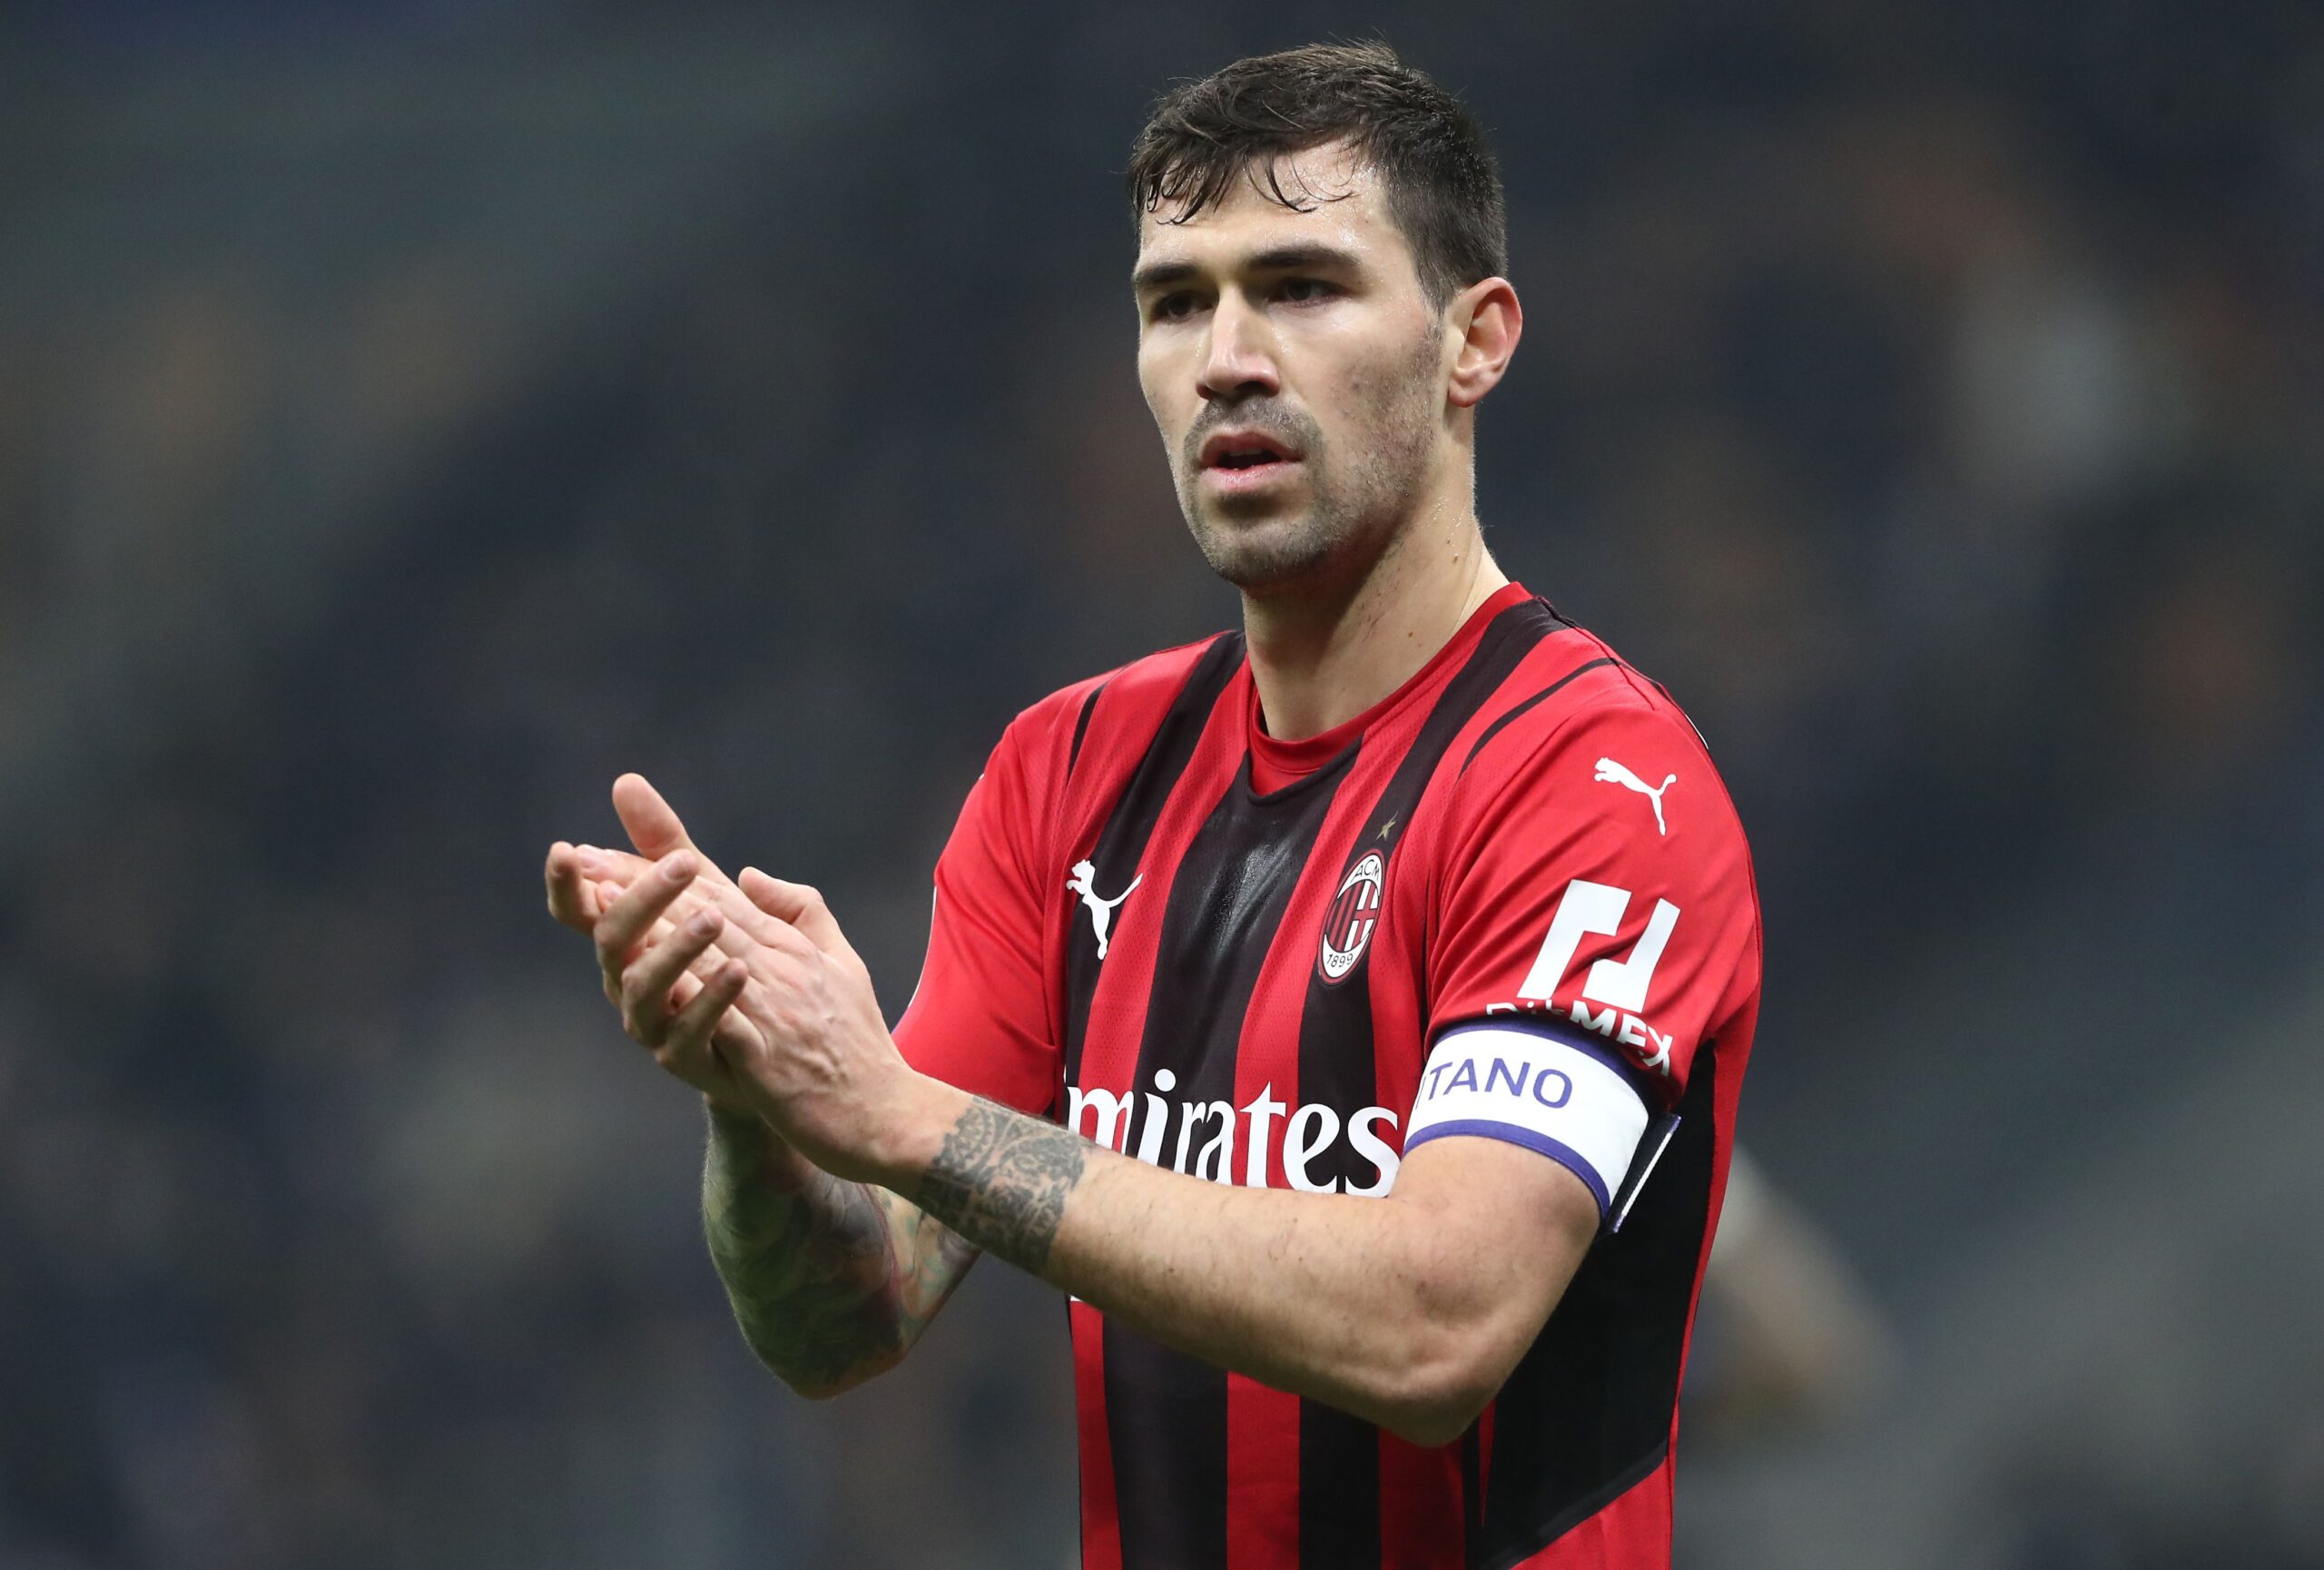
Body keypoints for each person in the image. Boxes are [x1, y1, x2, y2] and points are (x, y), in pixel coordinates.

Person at [544, 42, 1762, 1570]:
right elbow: (847, 1313)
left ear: (1475, 341)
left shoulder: (1592, 783)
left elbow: (1438, 1324)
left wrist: (903, 1113)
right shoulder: (1069, 774)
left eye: (1303, 287)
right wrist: (757, 1096)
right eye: (1177, 302)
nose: (1227, 358)